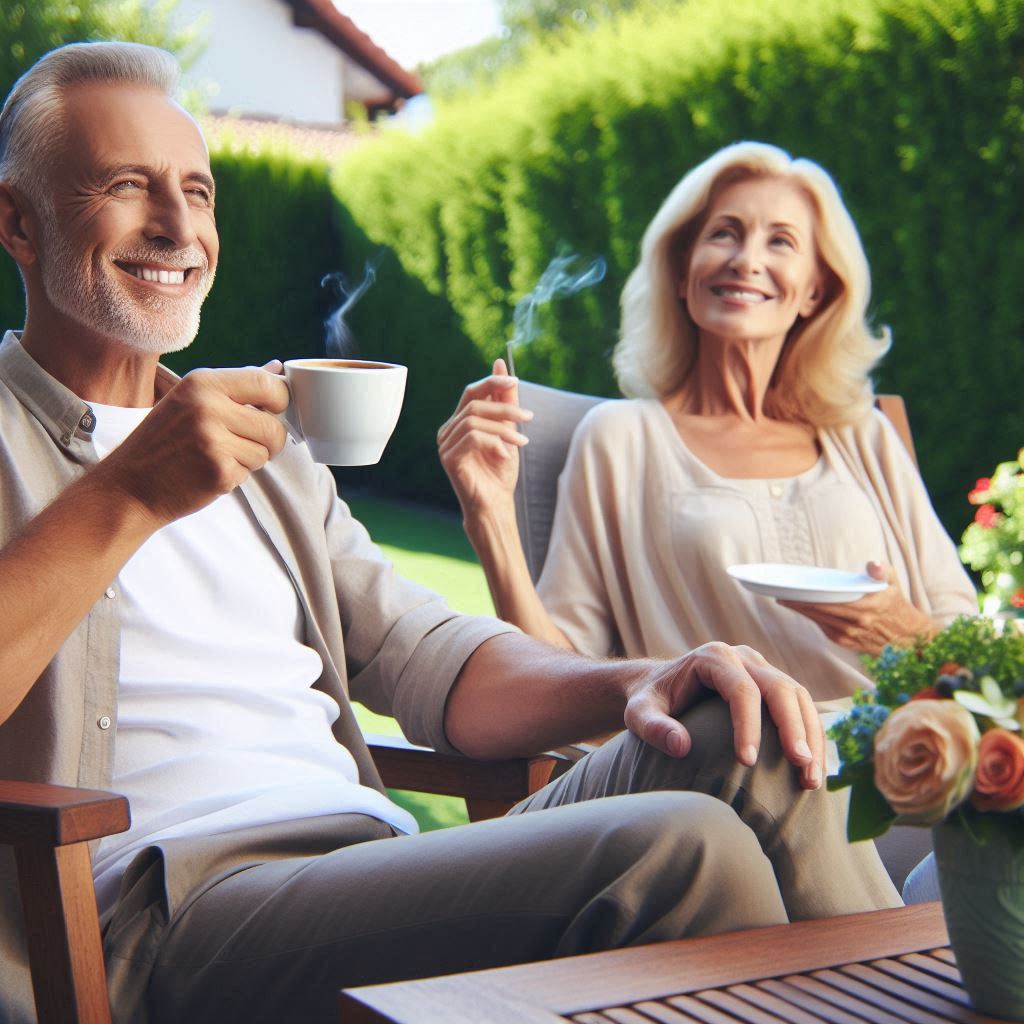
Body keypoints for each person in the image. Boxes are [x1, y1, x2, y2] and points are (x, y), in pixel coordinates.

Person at [0, 45, 899, 1024]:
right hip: (165, 915)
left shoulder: (261, 449)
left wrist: (637, 679)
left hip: (375, 870)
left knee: (758, 735)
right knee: (684, 849)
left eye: (199, 192)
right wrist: (131, 489)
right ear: (18, 221)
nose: (179, 226)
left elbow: (429, 661)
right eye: (128, 187)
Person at [439, 142, 978, 702]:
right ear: (680, 270)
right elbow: (557, 676)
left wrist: (898, 629)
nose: (746, 259)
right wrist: (489, 518)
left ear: (815, 291)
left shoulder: (860, 433)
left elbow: (967, 640)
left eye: (781, 241)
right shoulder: (621, 438)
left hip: (889, 759)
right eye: (724, 233)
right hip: (729, 765)